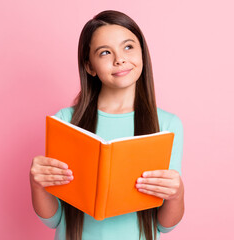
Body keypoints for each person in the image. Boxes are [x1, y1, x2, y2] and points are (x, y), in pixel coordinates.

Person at [30, 10, 184, 240]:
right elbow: (54, 219)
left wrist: (177, 194)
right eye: (104, 52)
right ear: (90, 66)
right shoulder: (65, 121)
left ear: (142, 52)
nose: (119, 59)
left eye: (128, 47)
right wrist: (37, 184)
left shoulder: (167, 125)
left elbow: (165, 225)